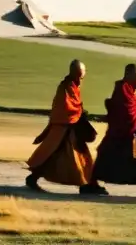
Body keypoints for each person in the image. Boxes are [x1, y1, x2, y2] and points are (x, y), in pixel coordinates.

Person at [26, 59, 105, 195]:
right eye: (80, 75)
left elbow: (75, 106)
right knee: (57, 155)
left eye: (82, 75)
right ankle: (86, 185)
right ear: (74, 73)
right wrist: (77, 114)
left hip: (71, 127)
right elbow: (64, 107)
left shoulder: (73, 86)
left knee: (78, 156)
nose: (82, 78)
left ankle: (88, 184)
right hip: (64, 128)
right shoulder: (65, 87)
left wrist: (80, 113)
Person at [92, 63, 136, 198]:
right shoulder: (122, 90)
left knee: (112, 156)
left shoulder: (126, 90)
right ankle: (92, 184)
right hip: (122, 133)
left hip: (125, 132)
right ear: (129, 76)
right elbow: (127, 113)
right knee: (107, 156)